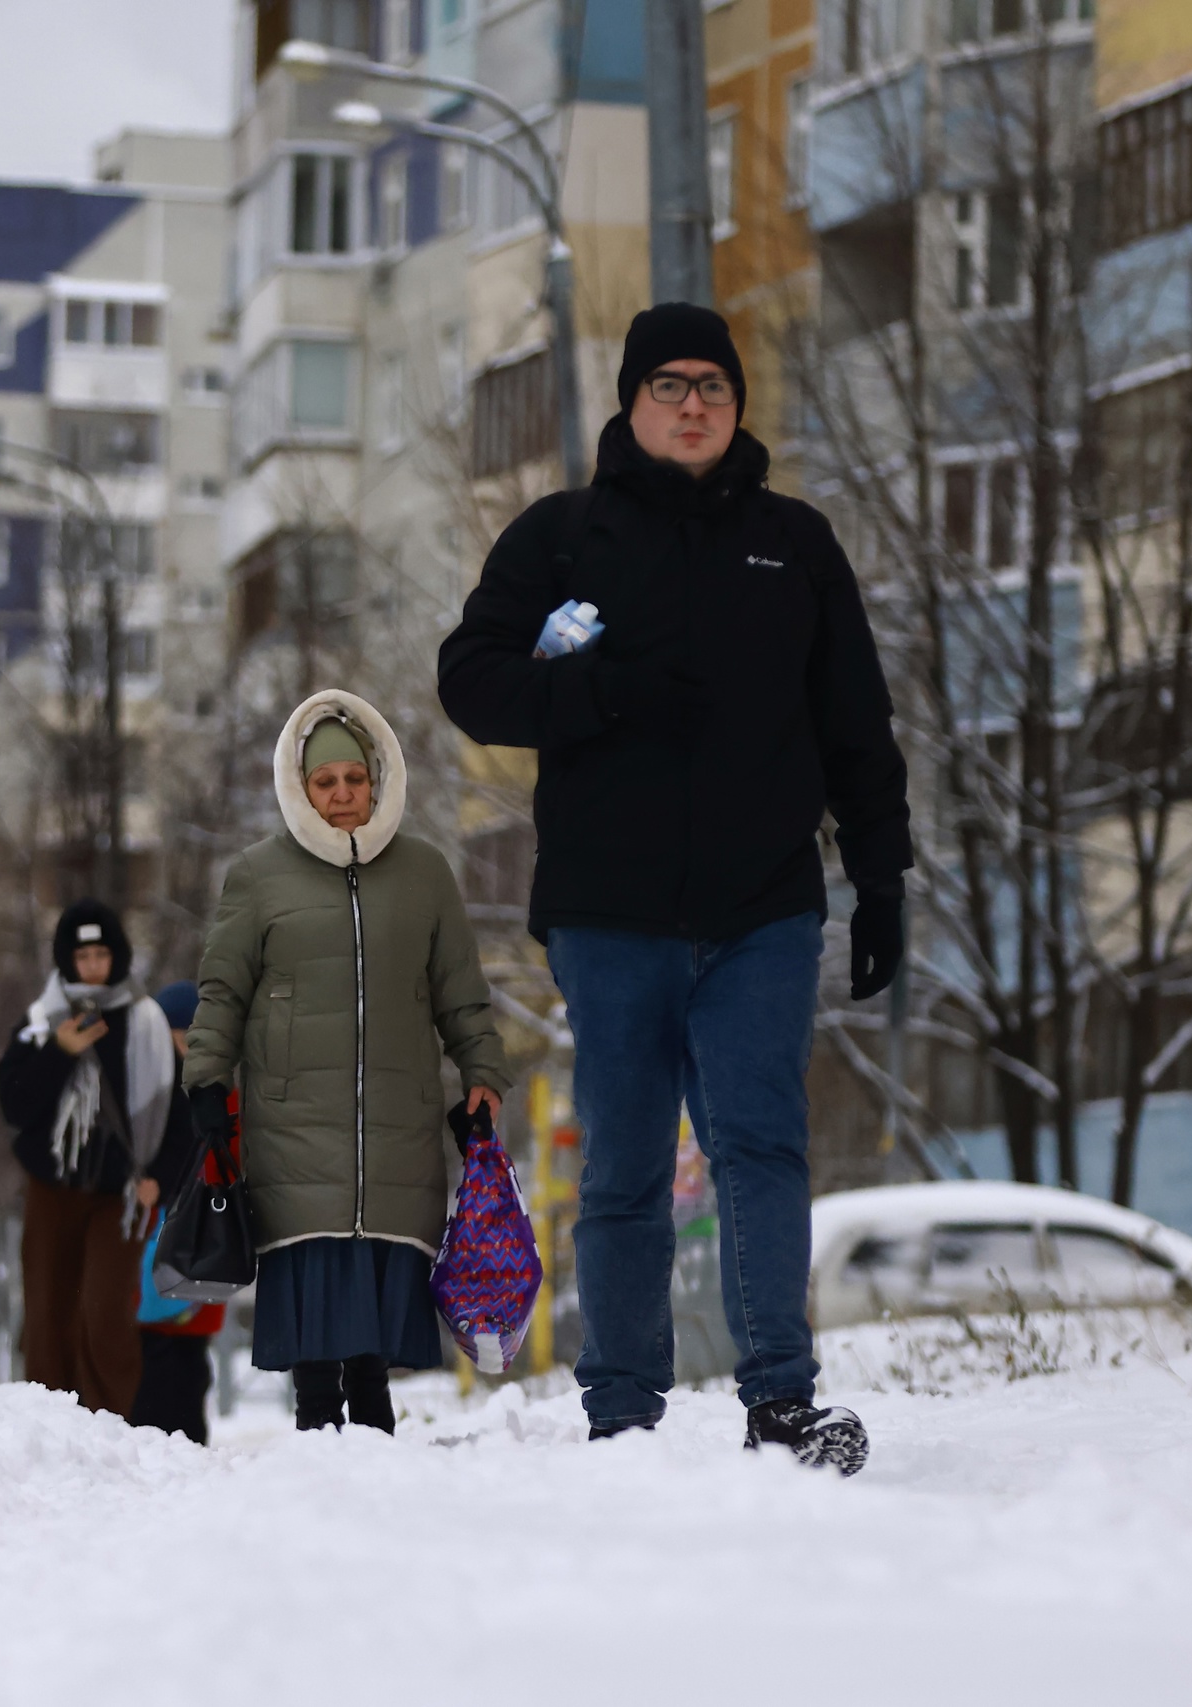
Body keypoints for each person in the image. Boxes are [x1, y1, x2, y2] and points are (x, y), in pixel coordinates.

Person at [436, 302, 910, 1473]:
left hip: (761, 907)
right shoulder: (559, 537)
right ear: (631, 401)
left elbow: (855, 721)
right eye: (668, 385)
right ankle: (622, 1409)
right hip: (611, 911)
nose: (691, 403)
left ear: (736, 404)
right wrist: (598, 697)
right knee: (627, 1165)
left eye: (711, 384)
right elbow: (471, 682)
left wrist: (882, 870)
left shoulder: (794, 544)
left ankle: (780, 1399)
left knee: (760, 1147)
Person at [182, 690, 509, 1432]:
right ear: (301, 789)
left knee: (374, 1280)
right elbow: (222, 989)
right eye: (324, 782)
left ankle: (371, 1422)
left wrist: (482, 1073)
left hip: (395, 1121)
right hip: (295, 1120)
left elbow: (461, 990)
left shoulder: (424, 873)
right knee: (312, 1269)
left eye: (353, 780)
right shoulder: (259, 874)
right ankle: (316, 1424)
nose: (340, 795)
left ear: (377, 780)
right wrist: (207, 1079)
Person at [0, 900, 191, 1417]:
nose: (92, 966)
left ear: (118, 956)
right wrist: (58, 1052)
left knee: (103, 1310)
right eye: (82, 955)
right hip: (52, 1187)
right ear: (66, 958)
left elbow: (178, 1113)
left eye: (102, 953)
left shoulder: (146, 1021)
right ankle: (47, 1420)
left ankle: (106, 1422)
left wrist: (161, 1180)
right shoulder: (42, 1020)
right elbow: (14, 1105)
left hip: (121, 1193)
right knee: (47, 1308)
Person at [128, 979, 227, 1444]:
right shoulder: (152, 1087)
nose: (185, 1045)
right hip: (161, 1241)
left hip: (190, 1240)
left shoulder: (209, 1092)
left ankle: (182, 1447)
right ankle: (163, 1444)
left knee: (184, 1360)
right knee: (157, 1354)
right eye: (178, 1033)